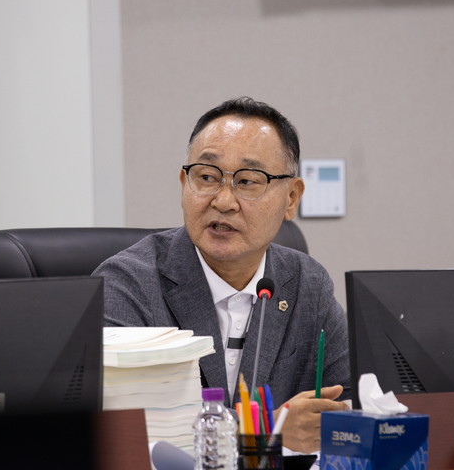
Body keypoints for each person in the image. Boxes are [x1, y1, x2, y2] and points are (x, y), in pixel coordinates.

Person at [93, 97, 349, 453]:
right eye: (207, 177)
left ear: (291, 198)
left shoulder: (307, 284)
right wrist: (265, 431)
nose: (224, 201)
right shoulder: (127, 285)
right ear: (184, 184)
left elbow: (349, 405)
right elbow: (127, 429)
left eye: (248, 181)